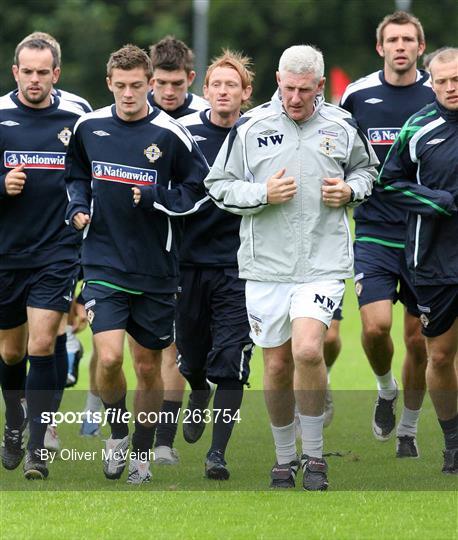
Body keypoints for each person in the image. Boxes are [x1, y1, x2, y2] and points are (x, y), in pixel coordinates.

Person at [205, 45, 378, 490]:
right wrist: (262, 193)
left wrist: (350, 191)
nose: (295, 98)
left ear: (320, 86)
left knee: (306, 350)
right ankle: (284, 459)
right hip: (265, 267)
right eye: (287, 88)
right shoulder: (251, 127)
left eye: (304, 90)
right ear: (277, 81)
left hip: (322, 261)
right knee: (278, 364)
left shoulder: (341, 126)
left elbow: (367, 172)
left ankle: (316, 457)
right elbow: (218, 186)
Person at [65, 44, 209, 484]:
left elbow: (199, 190)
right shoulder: (89, 127)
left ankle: (142, 458)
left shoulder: (170, 134)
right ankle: (117, 434)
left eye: (136, 86)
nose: (129, 94)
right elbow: (75, 174)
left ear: (149, 83)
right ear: (109, 84)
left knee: (147, 367)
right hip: (103, 262)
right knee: (109, 359)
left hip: (155, 269)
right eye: (120, 86)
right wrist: (77, 206)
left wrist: (155, 198)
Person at [340, 11, 435, 457]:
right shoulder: (358, 95)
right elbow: (335, 152)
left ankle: (409, 431)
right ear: (380, 48)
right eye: (392, 39)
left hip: (427, 234)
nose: (400, 46)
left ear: (420, 46)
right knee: (376, 328)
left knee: (418, 339)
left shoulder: (439, 93)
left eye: (408, 39)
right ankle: (385, 388)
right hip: (375, 231)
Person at [0, 38, 84, 479]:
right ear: (15, 72)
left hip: (57, 251)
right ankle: (14, 422)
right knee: (11, 353)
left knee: (41, 343)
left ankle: (37, 447)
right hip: (7, 254)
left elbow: (88, 179)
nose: (35, 80)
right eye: (27, 72)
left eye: (43, 72)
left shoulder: (77, 116)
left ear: (57, 72)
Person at [378, 47, 458, 474]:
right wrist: (435, 201)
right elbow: (387, 184)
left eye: (457, 79)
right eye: (443, 80)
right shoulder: (419, 127)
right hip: (433, 261)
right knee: (440, 357)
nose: (451, 87)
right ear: (432, 83)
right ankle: (453, 443)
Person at [176, 49, 254, 480]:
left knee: (232, 359)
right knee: (191, 358)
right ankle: (197, 390)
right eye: (216, 85)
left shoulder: (259, 134)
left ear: (246, 93)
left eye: (233, 85)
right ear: (204, 91)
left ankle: (217, 454)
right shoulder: (182, 132)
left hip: (240, 266)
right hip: (187, 264)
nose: (224, 92)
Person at [147, 35, 208, 465]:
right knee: (164, 347)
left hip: (207, 253)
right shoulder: (133, 114)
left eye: (176, 84)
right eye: (160, 84)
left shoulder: (208, 115)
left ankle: (202, 388)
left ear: (190, 78)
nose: (168, 93)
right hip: (153, 254)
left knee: (196, 352)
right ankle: (164, 443)